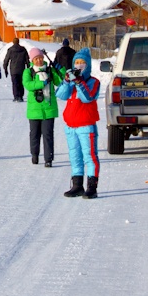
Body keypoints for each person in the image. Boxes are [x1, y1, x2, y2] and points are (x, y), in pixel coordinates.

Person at [55, 48, 101, 199]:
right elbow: (60, 95)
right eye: (77, 62)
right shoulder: (71, 81)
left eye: (82, 63)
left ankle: (92, 187)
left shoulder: (94, 82)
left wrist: (80, 82)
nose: (79, 65)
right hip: (71, 126)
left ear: (88, 65)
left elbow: (87, 97)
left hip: (86, 125)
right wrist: (67, 81)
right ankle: (77, 185)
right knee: (75, 156)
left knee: (90, 156)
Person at [23, 47, 65, 166]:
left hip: (49, 108)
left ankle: (48, 159)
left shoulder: (50, 70)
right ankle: (34, 155)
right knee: (34, 135)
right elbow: (28, 84)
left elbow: (60, 81)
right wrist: (42, 83)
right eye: (36, 59)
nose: (39, 60)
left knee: (48, 135)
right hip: (34, 110)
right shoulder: (28, 72)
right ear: (32, 60)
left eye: (40, 58)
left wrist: (60, 69)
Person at [3, 38, 30, 102]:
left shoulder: (10, 50)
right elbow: (27, 60)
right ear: (18, 42)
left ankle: (16, 96)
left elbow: (6, 60)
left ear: (13, 42)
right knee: (21, 83)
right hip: (22, 69)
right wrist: (28, 68)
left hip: (13, 70)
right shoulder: (23, 49)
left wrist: (5, 69)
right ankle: (20, 96)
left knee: (15, 83)